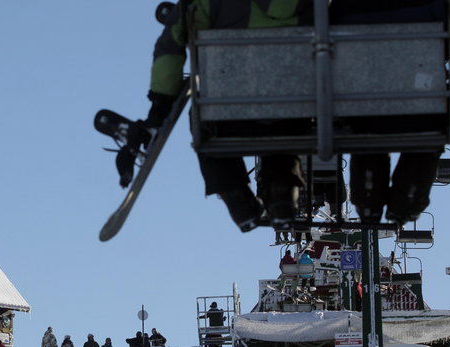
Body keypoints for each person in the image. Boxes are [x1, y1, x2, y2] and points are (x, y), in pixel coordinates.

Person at [115, 0, 315, 232]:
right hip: (292, 110)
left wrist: (159, 108)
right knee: (282, 120)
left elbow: (169, 49)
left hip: (228, 115)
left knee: (203, 119)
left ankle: (237, 198)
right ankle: (282, 195)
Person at [329, 0, 450, 225]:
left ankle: (368, 202)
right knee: (424, 144)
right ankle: (407, 202)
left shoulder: (340, 6)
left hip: (362, 105)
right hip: (423, 103)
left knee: (366, 139)